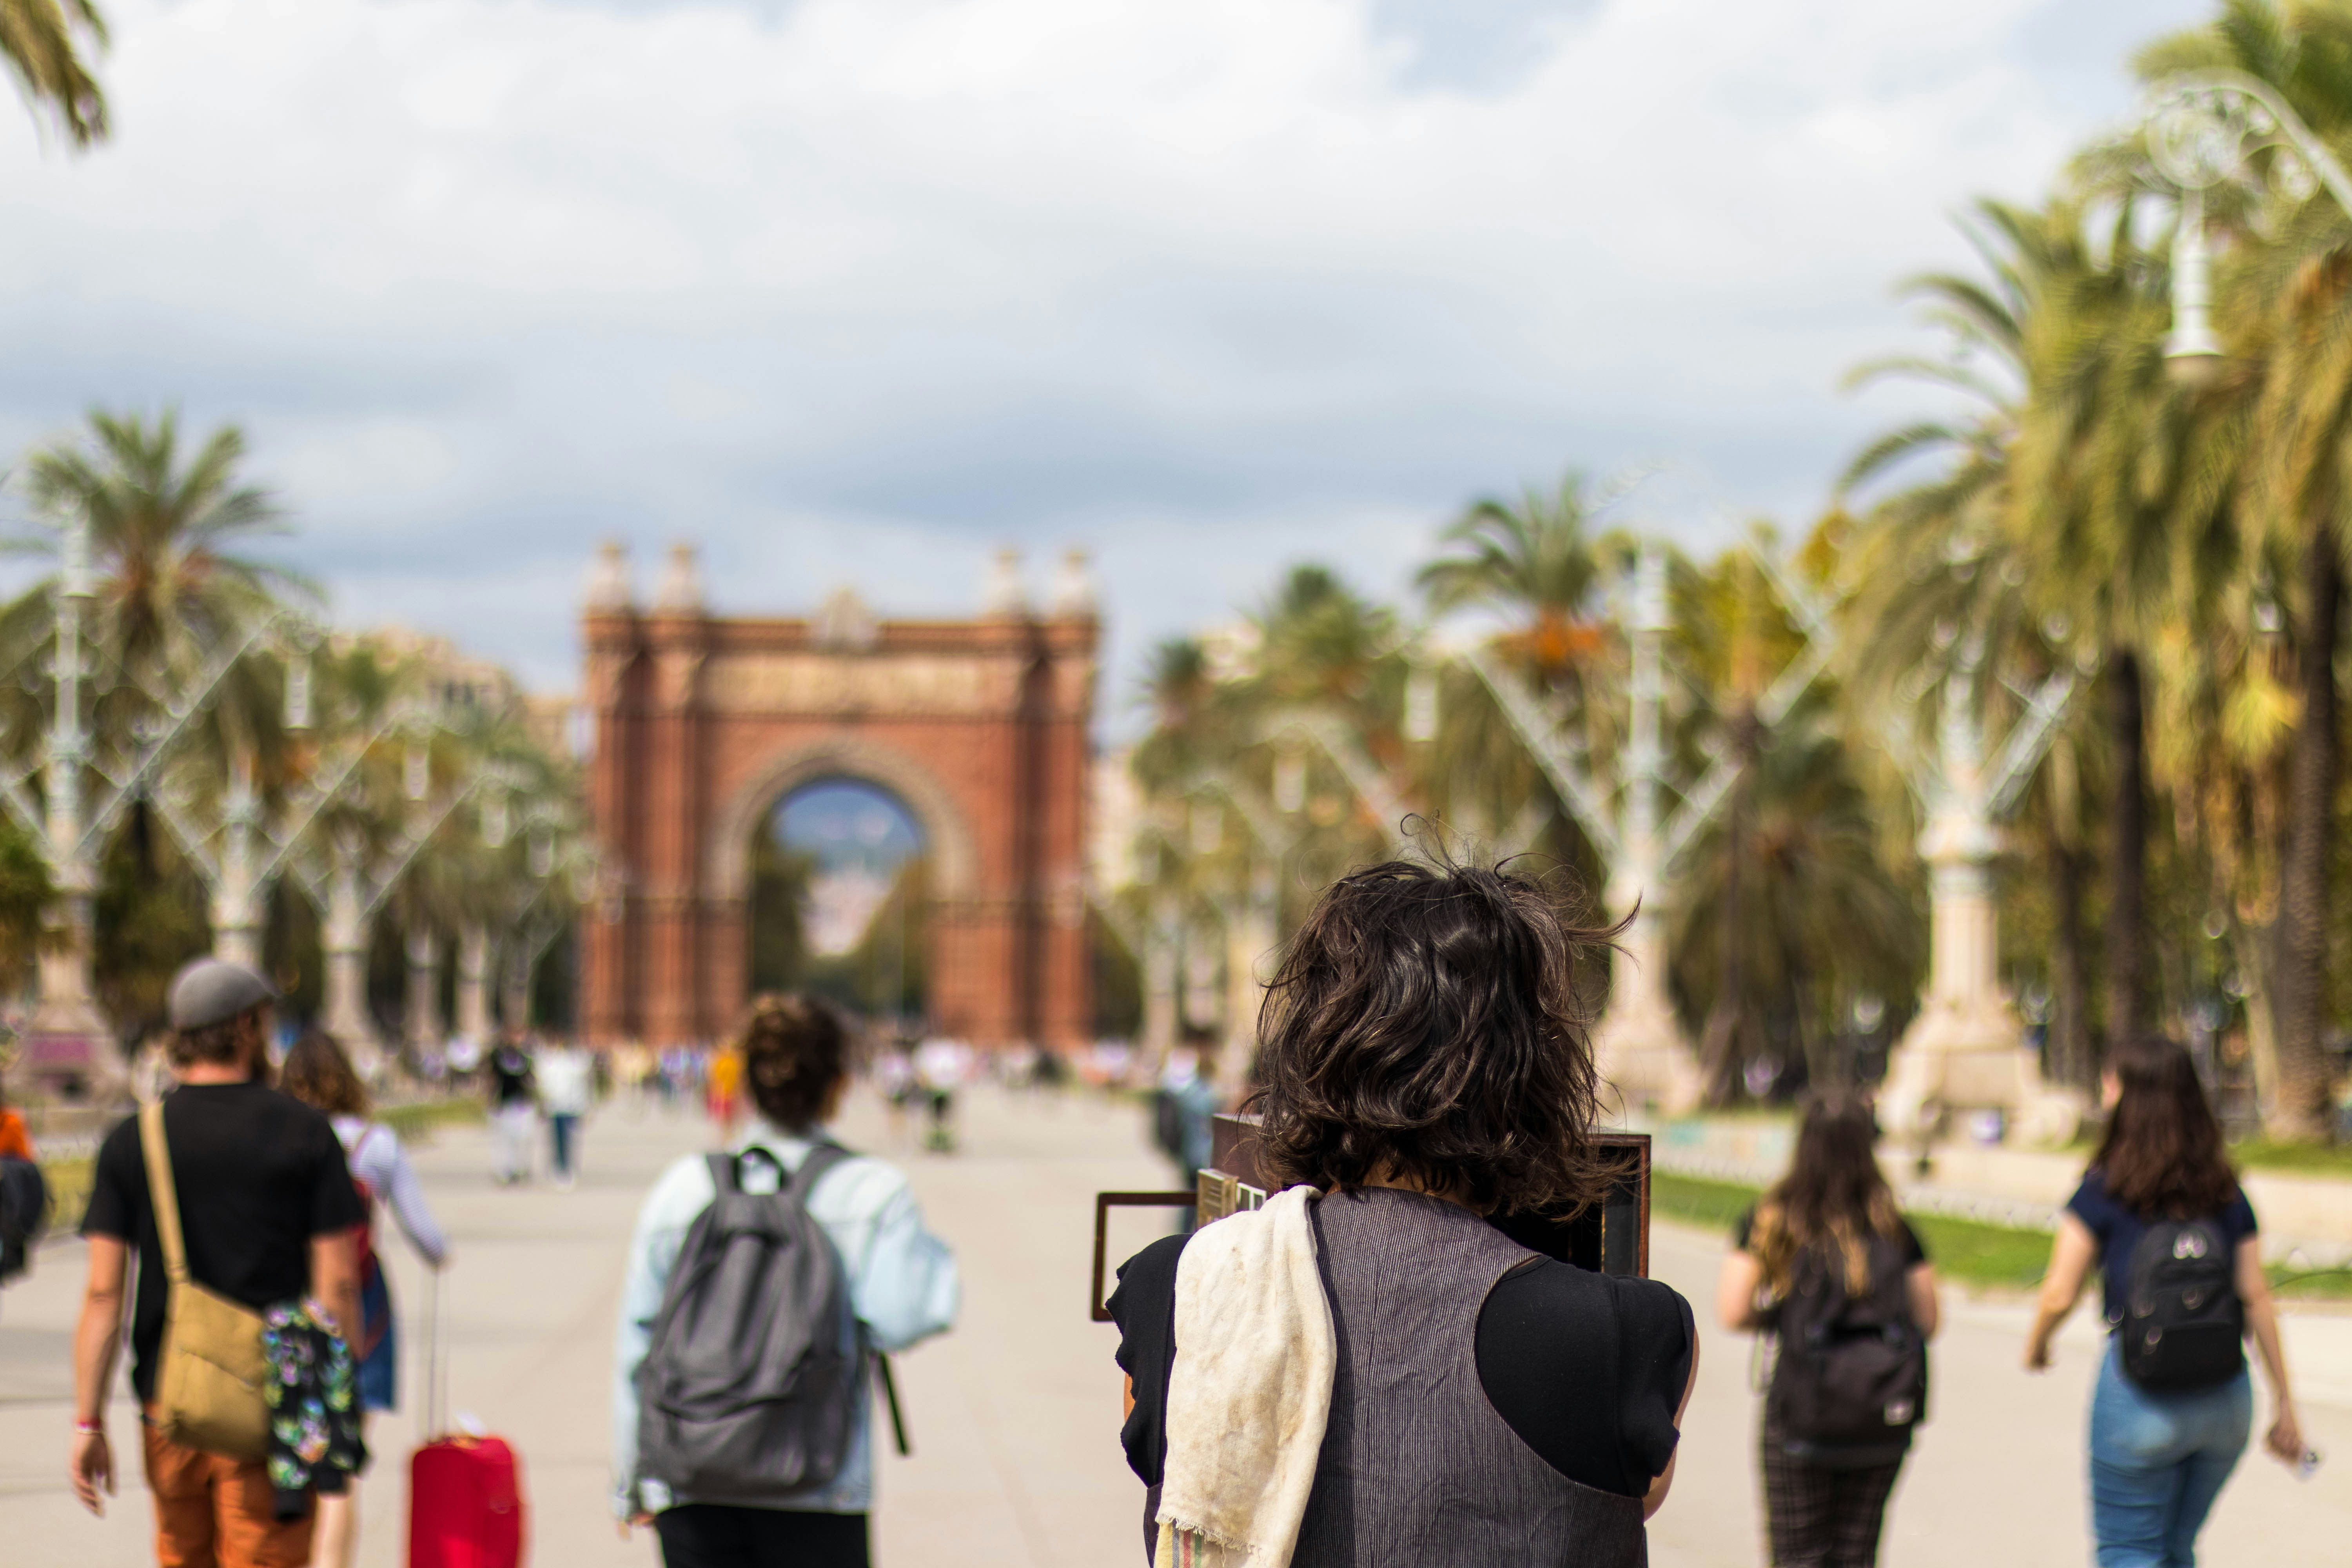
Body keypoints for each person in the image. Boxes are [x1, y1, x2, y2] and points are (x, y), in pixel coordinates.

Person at [1107, 859, 1697, 1567]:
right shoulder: (1626, 1335)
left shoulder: (1176, 1291)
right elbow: (1642, 1490)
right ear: (1536, 1074)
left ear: (1312, 1051)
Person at [613, 993, 959, 1568]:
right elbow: (904, 1319)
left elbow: (637, 1344)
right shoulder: (872, 1190)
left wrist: (634, 1477)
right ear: (839, 1086)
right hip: (818, 1480)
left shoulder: (684, 1188)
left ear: (743, 1083)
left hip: (692, 1475)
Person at [72, 958, 367, 1568]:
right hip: (273, 1406)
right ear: (248, 1027)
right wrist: (340, 1397)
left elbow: (104, 1296)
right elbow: (337, 1282)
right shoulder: (307, 1134)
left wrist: (88, 1421)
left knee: (182, 1556)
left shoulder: (134, 1140)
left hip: (171, 1405)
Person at [2025, 1035, 2305, 1568]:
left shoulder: (2105, 1189)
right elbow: (2257, 1295)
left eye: (2110, 1081)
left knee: (2131, 1550)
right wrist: (2285, 1403)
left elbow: (2060, 1291)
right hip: (2226, 1402)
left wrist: (2037, 1345)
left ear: (2125, 1094)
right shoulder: (2225, 1188)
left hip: (2141, 1397)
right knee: (2177, 1548)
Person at [1717, 1093, 1940, 1568]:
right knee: (1856, 1554)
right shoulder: (1894, 1226)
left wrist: (1777, 1316)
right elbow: (1929, 1319)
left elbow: (1733, 1310)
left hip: (1802, 1412)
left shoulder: (1775, 1219)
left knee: (1798, 1556)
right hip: (1879, 1417)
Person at [280, 1031, 452, 1568]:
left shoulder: (278, 1135)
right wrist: (440, 1255)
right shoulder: (374, 1144)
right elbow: (426, 1235)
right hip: (361, 1304)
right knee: (340, 1468)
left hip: (287, 1299)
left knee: (291, 1453)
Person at [536, 1039, 595, 1189]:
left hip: (572, 1107)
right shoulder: (549, 1063)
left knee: (570, 1140)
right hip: (555, 1107)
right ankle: (558, 1167)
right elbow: (543, 1084)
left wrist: (586, 1107)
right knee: (557, 1140)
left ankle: (568, 1167)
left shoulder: (574, 1063)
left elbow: (584, 1083)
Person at [486, 1033, 536, 1184]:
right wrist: (490, 1100)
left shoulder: (525, 1060)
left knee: (521, 1138)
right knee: (504, 1139)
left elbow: (531, 1080)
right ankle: (505, 1169)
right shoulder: (498, 1059)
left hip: (521, 1104)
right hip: (504, 1104)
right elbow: (492, 1080)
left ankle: (520, 1168)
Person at [705, 1041, 745, 1142]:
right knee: (725, 1117)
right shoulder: (721, 1061)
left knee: (733, 1116)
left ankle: (731, 1136)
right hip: (722, 1093)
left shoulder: (734, 1061)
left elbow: (739, 1077)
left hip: (732, 1092)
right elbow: (714, 1077)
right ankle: (727, 1136)